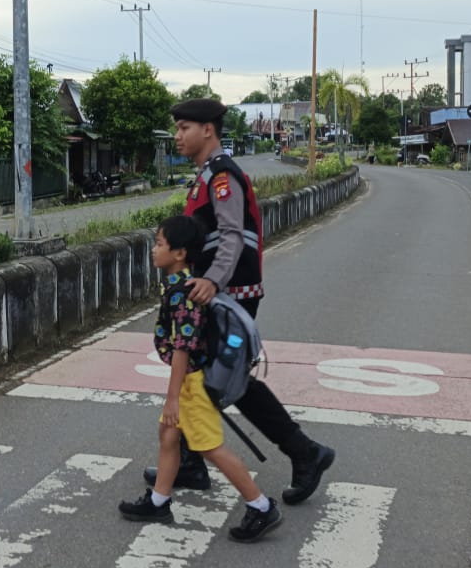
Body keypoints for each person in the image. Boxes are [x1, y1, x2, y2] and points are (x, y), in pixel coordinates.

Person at [143, 98, 335, 505]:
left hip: (231, 294)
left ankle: (305, 452)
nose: (178, 136)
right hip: (217, 292)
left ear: (207, 130)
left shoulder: (222, 177)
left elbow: (231, 234)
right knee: (208, 378)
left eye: (184, 128)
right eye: (177, 128)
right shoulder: (206, 175)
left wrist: (212, 281)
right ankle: (192, 462)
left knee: (232, 382)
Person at [119, 215, 281, 541]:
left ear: (179, 253)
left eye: (160, 244)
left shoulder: (184, 294)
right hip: (191, 380)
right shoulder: (183, 286)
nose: (154, 250)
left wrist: (173, 397)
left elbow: (183, 347)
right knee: (168, 435)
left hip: (192, 383)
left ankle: (261, 505)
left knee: (210, 448)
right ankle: (159, 500)